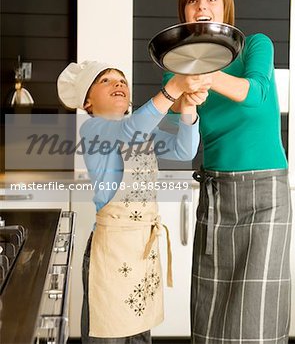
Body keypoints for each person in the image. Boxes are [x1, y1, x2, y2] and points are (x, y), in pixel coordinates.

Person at [163, 0, 292, 344]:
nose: (201, 7)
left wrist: (205, 74)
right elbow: (182, 148)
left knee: (258, 318)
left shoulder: (256, 46)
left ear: (225, 9)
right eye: (192, 0)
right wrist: (186, 103)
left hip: (266, 199)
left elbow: (256, 93)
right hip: (217, 195)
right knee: (211, 314)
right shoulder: (176, 68)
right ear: (184, 12)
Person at [57, 60, 212, 344]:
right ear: (87, 102)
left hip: (143, 248)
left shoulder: (143, 132)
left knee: (140, 332)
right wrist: (173, 89)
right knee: (109, 333)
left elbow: (183, 149)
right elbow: (128, 131)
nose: (118, 84)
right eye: (105, 81)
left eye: (122, 80)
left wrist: (189, 105)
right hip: (112, 249)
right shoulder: (94, 130)